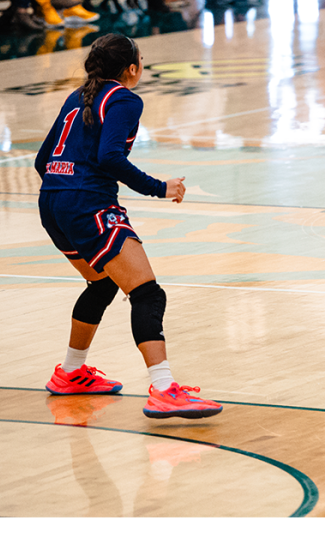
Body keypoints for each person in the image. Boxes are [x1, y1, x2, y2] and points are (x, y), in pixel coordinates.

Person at [36, 33, 222, 420]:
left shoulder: (78, 96)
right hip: (88, 204)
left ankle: (70, 372)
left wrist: (66, 188)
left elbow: (42, 160)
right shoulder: (123, 99)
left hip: (53, 202)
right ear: (132, 68)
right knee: (148, 295)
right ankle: (164, 388)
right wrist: (159, 188)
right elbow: (109, 157)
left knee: (102, 282)